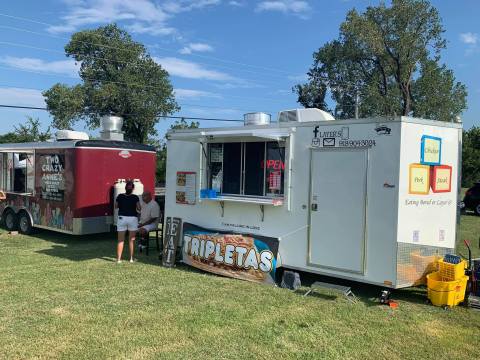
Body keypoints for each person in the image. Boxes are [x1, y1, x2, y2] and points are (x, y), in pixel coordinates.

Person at [115, 181, 141, 263]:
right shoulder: (135, 197)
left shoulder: (120, 196)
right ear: (133, 189)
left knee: (120, 240)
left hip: (122, 218)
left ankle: (119, 259)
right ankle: (131, 259)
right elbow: (139, 208)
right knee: (131, 240)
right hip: (132, 218)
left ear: (125, 188)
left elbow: (116, 206)